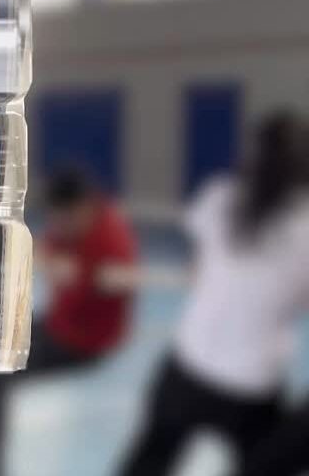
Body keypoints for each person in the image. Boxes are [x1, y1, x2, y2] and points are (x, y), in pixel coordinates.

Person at [117, 111, 309, 476]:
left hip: (191, 363)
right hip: (252, 384)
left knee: (149, 460)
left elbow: (199, 270)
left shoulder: (220, 196)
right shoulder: (304, 225)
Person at [0, 170, 138, 476]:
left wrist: (99, 279)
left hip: (84, 342)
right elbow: (51, 251)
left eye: (64, 218)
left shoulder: (113, 239)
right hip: (58, 324)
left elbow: (121, 281)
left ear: (83, 208)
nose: (58, 224)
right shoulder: (67, 222)